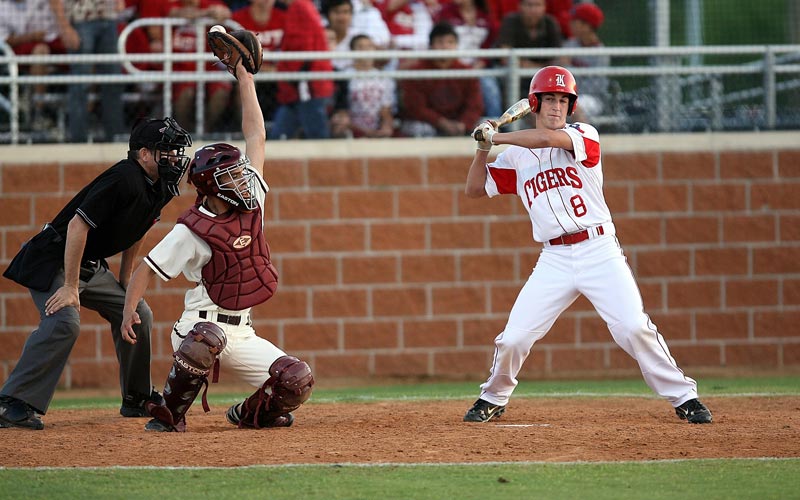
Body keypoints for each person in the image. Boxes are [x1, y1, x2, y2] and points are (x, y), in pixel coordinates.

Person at [462, 66, 713, 425]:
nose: (556, 107)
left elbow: (549, 141)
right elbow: (474, 189)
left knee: (632, 327)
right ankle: (493, 397)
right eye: (549, 99)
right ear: (534, 103)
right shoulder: (517, 156)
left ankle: (684, 396)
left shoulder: (583, 134)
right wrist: (482, 149)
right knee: (514, 338)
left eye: (564, 100)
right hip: (554, 258)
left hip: (599, 250)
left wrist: (497, 137)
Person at [120, 61, 314, 433]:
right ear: (212, 186)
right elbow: (147, 267)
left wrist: (245, 78)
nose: (243, 179)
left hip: (242, 332)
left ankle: (249, 414)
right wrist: (129, 310)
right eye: (232, 175)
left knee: (297, 379)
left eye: (240, 173)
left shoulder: (252, 198)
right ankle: (169, 416)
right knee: (204, 341)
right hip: (198, 327)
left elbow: (256, 136)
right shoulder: (191, 230)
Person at [0, 117, 193, 430]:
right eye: (166, 150)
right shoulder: (124, 177)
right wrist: (70, 286)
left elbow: (139, 229)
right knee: (64, 322)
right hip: (53, 258)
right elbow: (78, 225)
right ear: (144, 154)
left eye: (175, 151)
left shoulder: (161, 185)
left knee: (135, 310)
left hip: (90, 264)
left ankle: (136, 397)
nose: (174, 157)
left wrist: (126, 282)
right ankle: (11, 403)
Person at [49, 0, 125, 143]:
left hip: (109, 18)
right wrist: (65, 27)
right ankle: (78, 139)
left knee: (114, 80)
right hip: (80, 19)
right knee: (80, 82)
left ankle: (116, 136)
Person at [399, 21, 483, 137]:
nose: (445, 46)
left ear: (456, 45)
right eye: (440, 42)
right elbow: (416, 107)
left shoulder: (466, 71)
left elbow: (475, 104)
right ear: (431, 45)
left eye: (450, 42)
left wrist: (463, 124)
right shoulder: (417, 71)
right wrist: (442, 123)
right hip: (428, 123)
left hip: (459, 123)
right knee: (422, 129)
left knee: (486, 128)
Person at [269, 0, 334, 140]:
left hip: (306, 84)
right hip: (302, 84)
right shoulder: (303, 6)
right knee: (279, 136)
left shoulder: (299, 7)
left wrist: (293, 77)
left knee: (317, 137)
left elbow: (302, 46)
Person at [0, 0, 66, 131]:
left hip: (50, 45)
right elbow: (5, 40)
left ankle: (91, 110)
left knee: (85, 48)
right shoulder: (3, 6)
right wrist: (31, 37)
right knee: (40, 51)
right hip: (15, 52)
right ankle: (38, 111)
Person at [434, 0, 502, 118]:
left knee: (489, 85)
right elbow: (437, 41)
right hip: (451, 66)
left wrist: (482, 62)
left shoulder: (485, 15)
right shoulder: (445, 13)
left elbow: (491, 44)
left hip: (477, 67)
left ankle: (495, 126)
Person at [330, 34, 396, 138]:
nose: (365, 50)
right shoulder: (343, 76)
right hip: (350, 130)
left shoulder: (383, 78)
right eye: (360, 47)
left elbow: (386, 110)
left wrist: (386, 127)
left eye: (369, 46)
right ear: (352, 51)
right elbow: (341, 110)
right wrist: (364, 132)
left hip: (376, 129)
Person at [496, 0, 562, 100]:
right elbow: (505, 58)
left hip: (544, 78)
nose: (533, 10)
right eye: (529, 5)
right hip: (516, 76)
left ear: (544, 7)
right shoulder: (510, 21)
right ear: (520, 6)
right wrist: (541, 68)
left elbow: (561, 58)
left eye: (538, 5)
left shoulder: (550, 23)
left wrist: (537, 70)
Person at [561, 2, 609, 122]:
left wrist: (568, 66)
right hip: (568, 95)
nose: (570, 24)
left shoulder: (600, 53)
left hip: (592, 98)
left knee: (575, 106)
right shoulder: (570, 44)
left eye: (575, 21)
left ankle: (585, 139)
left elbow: (595, 87)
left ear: (587, 25)